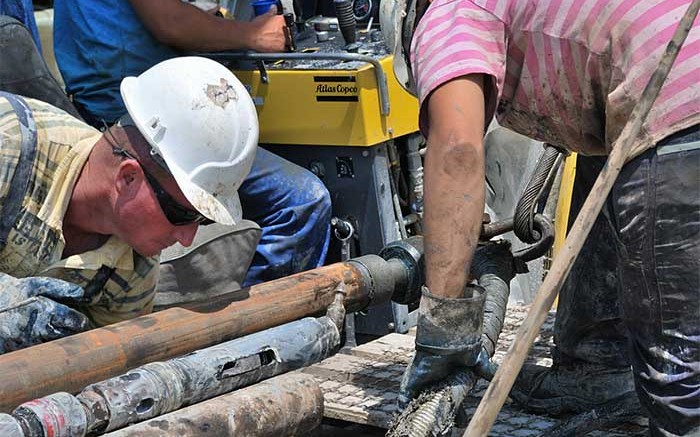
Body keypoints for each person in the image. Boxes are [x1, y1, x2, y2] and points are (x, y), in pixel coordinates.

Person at [383, 0, 700, 435]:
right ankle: (597, 364)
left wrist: (445, 335)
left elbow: (456, 152)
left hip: (677, 103)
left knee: (680, 375)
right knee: (599, 165)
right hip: (673, 75)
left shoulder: (447, 13)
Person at [53, 0, 332, 286]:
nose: (185, 240)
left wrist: (209, 22)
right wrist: (256, 35)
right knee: (301, 202)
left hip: (142, 97)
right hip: (137, 114)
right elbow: (170, 22)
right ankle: (254, 323)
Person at [0, 56, 257, 353]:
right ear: (128, 177)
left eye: (201, 220)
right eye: (181, 213)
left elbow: (101, 368)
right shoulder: (8, 143)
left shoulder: (135, 273)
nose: (186, 239)